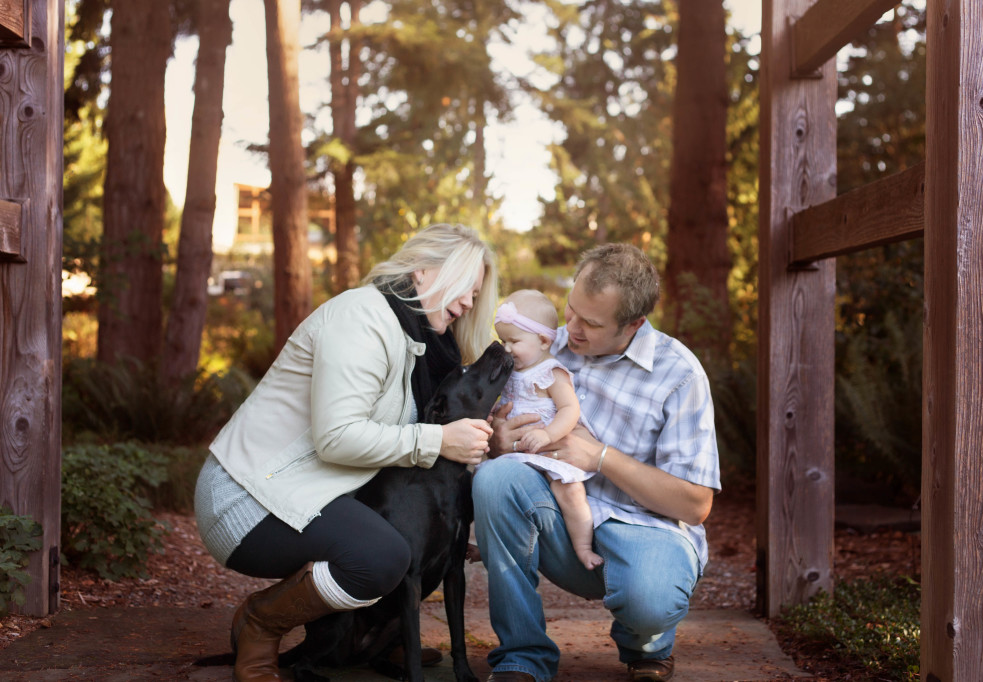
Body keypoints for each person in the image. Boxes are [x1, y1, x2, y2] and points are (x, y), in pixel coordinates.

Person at [193, 223, 499, 682]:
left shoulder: (420, 343)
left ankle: (379, 637)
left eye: (477, 294)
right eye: (465, 287)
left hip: (310, 492)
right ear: (421, 272)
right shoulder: (364, 318)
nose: (471, 303)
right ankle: (262, 621)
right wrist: (437, 440)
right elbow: (337, 437)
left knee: (425, 544)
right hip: (248, 497)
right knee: (380, 557)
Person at [473, 244, 721, 682]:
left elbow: (695, 504)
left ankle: (647, 644)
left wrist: (600, 457)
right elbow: (499, 427)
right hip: (560, 521)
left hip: (646, 529)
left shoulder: (679, 374)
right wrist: (501, 441)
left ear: (634, 324)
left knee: (649, 601)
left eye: (590, 323)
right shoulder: (547, 345)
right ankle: (521, 656)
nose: (571, 329)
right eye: (571, 311)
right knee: (495, 479)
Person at [491, 289, 601, 570]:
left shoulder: (552, 372)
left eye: (513, 341)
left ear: (542, 340)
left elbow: (570, 410)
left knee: (571, 491)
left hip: (549, 451)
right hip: (517, 454)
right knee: (490, 488)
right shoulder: (509, 370)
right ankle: (493, 541)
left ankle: (583, 547)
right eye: (503, 340)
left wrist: (548, 434)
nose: (506, 348)